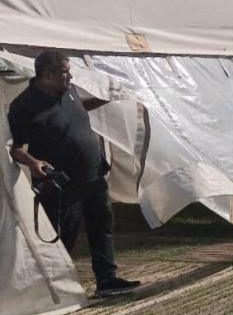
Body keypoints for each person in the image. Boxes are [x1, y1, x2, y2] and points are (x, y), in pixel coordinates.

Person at [7, 50, 140, 297]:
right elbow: (15, 149)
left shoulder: (67, 90)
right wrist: (34, 163)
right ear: (46, 74)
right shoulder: (24, 106)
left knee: (101, 226)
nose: (70, 77)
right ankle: (58, 290)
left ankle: (107, 280)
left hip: (93, 173)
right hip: (63, 183)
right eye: (65, 72)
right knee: (63, 235)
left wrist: (105, 99)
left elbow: (79, 107)